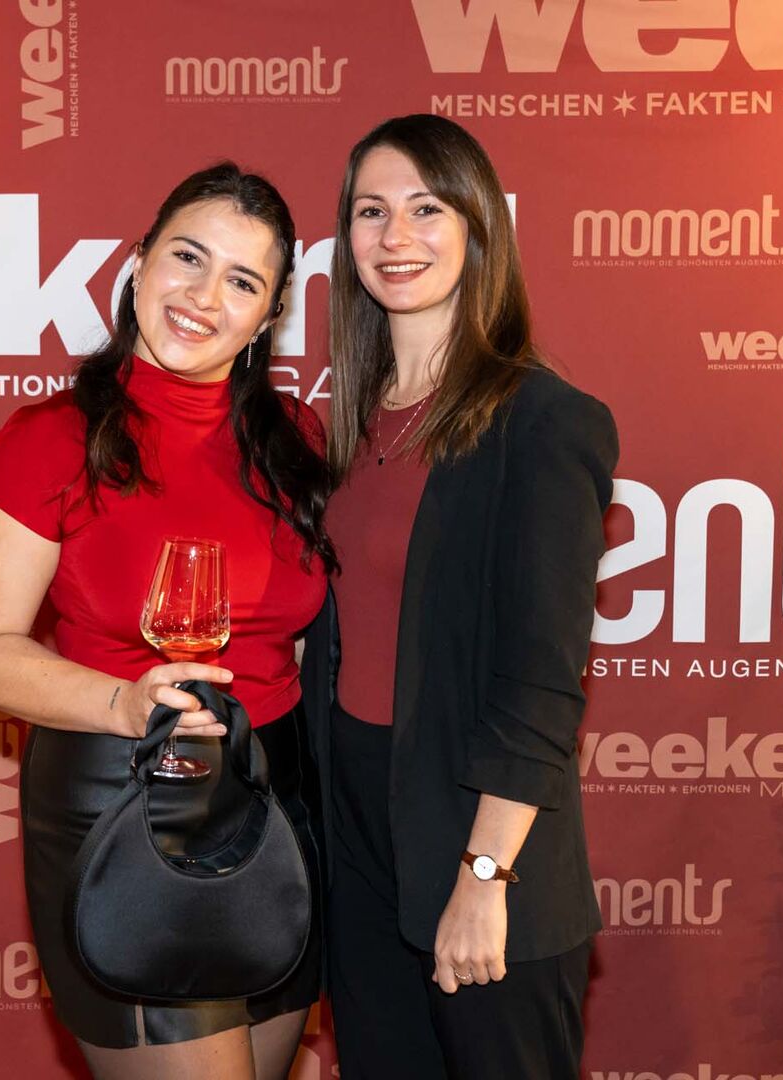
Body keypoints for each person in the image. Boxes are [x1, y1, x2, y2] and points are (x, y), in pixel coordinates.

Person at [0, 162, 334, 1080]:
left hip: (278, 802)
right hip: (123, 802)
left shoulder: (298, 441)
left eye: (242, 281)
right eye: (187, 258)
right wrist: (125, 704)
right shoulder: (47, 441)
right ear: (137, 262)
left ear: (268, 315)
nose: (204, 297)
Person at [303, 113, 618, 1079]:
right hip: (358, 838)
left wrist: (485, 877)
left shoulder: (545, 422)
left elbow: (541, 682)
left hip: (481, 843)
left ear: (479, 228)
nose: (395, 236)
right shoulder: (345, 425)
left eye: (425, 208)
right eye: (370, 211)